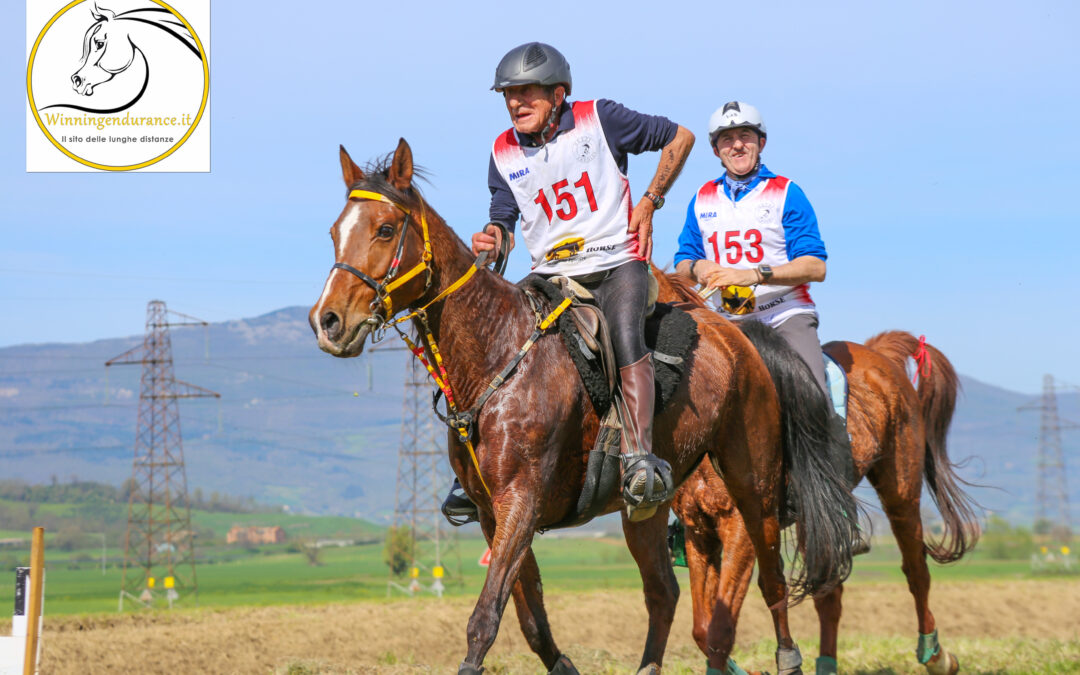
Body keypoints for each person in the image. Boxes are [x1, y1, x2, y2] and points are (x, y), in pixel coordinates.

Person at [442, 42, 695, 524]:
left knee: (623, 336)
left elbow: (679, 137)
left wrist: (650, 201)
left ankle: (640, 460)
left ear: (558, 94)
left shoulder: (600, 118)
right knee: (493, 338)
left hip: (616, 263)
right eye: (508, 95)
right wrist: (493, 238)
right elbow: (503, 218)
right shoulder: (502, 152)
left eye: (527, 93)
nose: (516, 102)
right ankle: (473, 471)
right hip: (549, 274)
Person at [674, 101, 863, 519]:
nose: (736, 145)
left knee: (815, 395)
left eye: (745, 137)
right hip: (728, 322)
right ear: (716, 149)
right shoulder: (703, 199)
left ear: (760, 143)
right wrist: (701, 266)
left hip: (783, 314)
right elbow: (682, 261)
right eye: (727, 139)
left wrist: (754, 274)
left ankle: (836, 506)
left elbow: (816, 266)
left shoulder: (787, 193)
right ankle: (680, 515)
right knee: (678, 400)